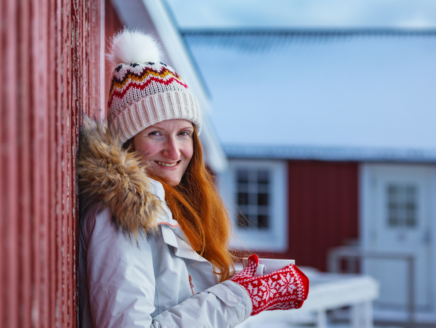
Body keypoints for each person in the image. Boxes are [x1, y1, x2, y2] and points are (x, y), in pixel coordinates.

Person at [77, 30, 309, 328]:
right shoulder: (120, 216)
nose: (174, 151)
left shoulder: (169, 208)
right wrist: (241, 295)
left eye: (183, 133)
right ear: (128, 141)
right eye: (156, 133)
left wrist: (250, 283)